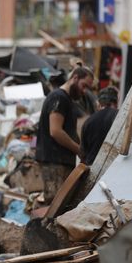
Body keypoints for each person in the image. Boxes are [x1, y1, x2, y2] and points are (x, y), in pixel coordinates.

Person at [35, 66, 94, 200]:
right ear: (75, 78)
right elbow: (55, 131)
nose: (84, 92)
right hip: (54, 161)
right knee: (54, 204)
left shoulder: (66, 99)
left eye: (87, 88)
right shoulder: (59, 98)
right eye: (83, 86)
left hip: (59, 161)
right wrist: (79, 150)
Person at [80, 86, 119, 165]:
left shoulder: (88, 121)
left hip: (92, 167)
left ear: (99, 103)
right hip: (114, 168)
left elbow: (83, 152)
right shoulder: (121, 117)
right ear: (116, 102)